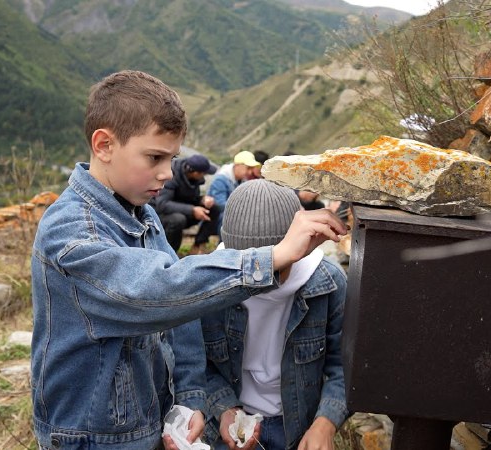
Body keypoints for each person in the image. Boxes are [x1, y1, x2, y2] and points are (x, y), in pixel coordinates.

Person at [30, 70, 346, 450]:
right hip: (92, 433)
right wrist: (272, 258)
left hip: (148, 417)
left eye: (172, 158)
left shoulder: (140, 214)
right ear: (104, 145)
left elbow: (182, 320)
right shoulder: (69, 234)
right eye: (155, 157)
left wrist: (191, 396)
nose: (167, 173)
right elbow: (155, 292)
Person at [202, 179, 348, 450]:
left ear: (298, 248)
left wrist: (325, 423)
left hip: (296, 427)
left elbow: (344, 366)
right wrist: (224, 408)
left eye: (274, 266)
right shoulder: (212, 281)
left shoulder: (329, 284)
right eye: (247, 267)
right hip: (232, 426)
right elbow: (199, 362)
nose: (258, 280)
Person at [151, 154, 219, 255]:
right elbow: (162, 204)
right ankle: (169, 254)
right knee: (178, 219)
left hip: (182, 211)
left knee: (214, 208)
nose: (204, 176)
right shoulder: (171, 175)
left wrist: (202, 200)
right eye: (204, 173)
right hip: (159, 215)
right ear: (195, 172)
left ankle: (198, 245)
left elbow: (190, 198)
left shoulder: (193, 179)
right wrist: (192, 210)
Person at [207, 150, 260, 233]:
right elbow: (221, 205)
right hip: (213, 219)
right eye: (248, 168)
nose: (250, 172)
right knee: (227, 217)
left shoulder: (243, 180)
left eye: (252, 168)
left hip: (234, 215)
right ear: (237, 165)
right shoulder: (221, 180)